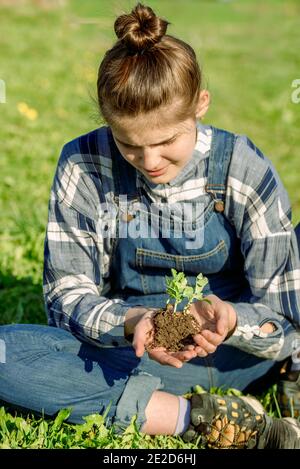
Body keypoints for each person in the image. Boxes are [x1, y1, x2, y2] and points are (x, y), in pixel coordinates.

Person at [0, 2, 299, 449]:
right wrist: (134, 319)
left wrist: (233, 320)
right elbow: (65, 297)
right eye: (129, 144)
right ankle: (192, 418)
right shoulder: (84, 164)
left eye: (166, 141)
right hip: (138, 356)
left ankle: (290, 375)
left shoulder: (240, 165)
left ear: (200, 105)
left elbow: (284, 313)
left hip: (240, 352)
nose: (150, 161)